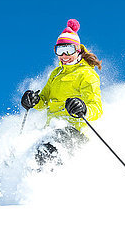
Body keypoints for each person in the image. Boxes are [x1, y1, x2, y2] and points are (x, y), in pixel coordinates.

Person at [21, 19, 103, 166]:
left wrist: (83, 109)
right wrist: (33, 100)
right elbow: (44, 100)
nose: (64, 55)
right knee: (25, 154)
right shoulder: (56, 74)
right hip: (52, 130)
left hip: (75, 133)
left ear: (77, 50)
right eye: (60, 50)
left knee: (43, 153)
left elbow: (97, 109)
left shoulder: (87, 74)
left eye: (69, 50)